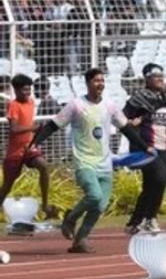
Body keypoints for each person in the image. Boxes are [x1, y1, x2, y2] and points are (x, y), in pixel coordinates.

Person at [27, 69, 150, 254]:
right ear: (87, 83)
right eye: (96, 80)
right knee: (94, 196)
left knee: (99, 206)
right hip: (84, 162)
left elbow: (126, 128)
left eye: (102, 80)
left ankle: (80, 239)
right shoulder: (76, 105)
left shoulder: (110, 106)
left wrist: (144, 147)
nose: (100, 84)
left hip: (105, 163)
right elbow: (53, 125)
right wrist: (34, 143)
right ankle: (70, 219)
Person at [122, 64, 166, 234]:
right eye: (156, 76)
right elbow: (122, 119)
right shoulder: (138, 98)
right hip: (145, 147)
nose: (161, 79)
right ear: (147, 78)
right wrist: (132, 123)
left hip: (162, 147)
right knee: (161, 179)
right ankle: (151, 218)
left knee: (151, 186)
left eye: (162, 75)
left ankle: (135, 222)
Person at [0, 75, 56, 220]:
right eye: (25, 90)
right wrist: (33, 127)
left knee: (43, 166)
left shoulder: (31, 102)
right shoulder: (14, 106)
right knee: (7, 185)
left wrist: (34, 135)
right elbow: (14, 128)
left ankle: (45, 206)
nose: (28, 93)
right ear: (16, 90)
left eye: (29, 90)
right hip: (15, 152)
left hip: (29, 148)